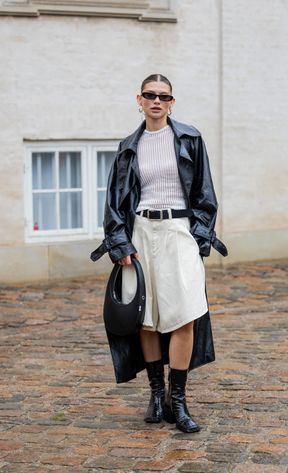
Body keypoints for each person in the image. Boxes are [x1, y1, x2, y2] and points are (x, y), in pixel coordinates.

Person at [91, 73, 228, 433]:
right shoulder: (128, 147)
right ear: (139, 99)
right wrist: (119, 242)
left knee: (184, 314)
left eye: (163, 96)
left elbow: (205, 194)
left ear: (172, 102)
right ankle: (155, 394)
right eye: (150, 95)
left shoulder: (190, 138)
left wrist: (198, 237)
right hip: (140, 232)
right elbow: (114, 200)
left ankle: (177, 400)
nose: (156, 101)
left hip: (178, 232)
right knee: (147, 317)